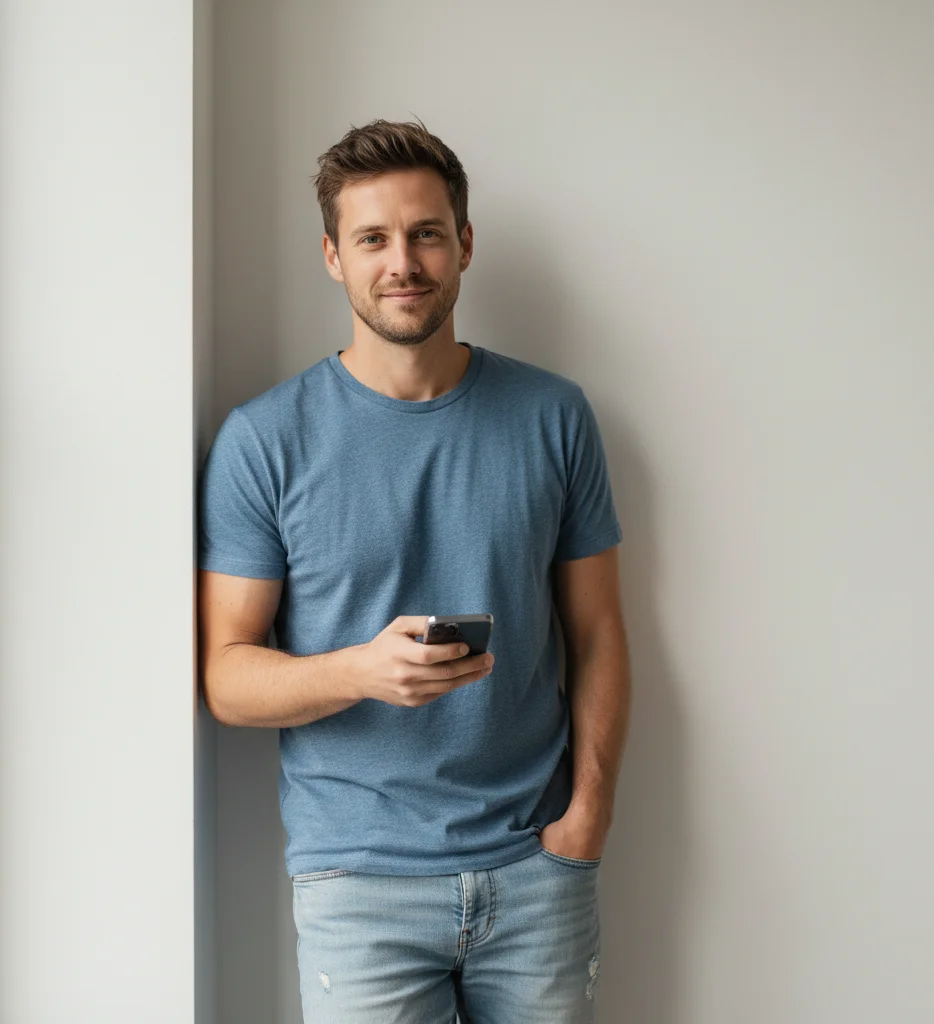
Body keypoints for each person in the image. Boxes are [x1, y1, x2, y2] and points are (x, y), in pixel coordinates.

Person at [197, 118, 632, 1024]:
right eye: (373, 238)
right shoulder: (265, 441)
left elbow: (598, 633)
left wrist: (585, 820)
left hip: (537, 870)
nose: (403, 261)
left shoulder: (554, 416)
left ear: (464, 244)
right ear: (332, 256)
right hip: (359, 885)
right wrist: (362, 670)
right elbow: (227, 679)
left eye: (426, 232)